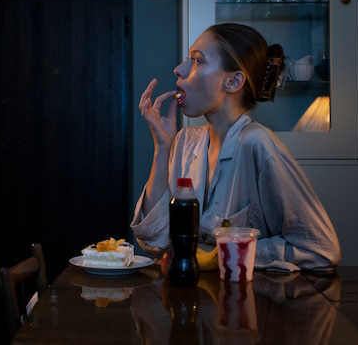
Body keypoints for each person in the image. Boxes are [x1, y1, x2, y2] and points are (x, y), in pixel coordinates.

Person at [131, 23, 341, 271]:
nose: (179, 69)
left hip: (248, 302)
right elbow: (155, 242)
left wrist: (222, 254)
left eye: (197, 60)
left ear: (233, 81)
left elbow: (320, 249)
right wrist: (162, 147)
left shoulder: (257, 143)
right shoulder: (185, 142)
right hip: (195, 302)